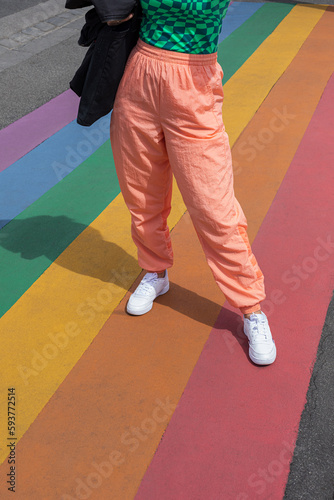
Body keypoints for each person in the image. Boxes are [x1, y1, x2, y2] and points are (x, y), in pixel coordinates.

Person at [109, 0, 277, 366]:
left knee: (214, 207)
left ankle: (251, 308)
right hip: (140, 73)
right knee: (141, 193)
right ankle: (155, 271)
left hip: (194, 85)